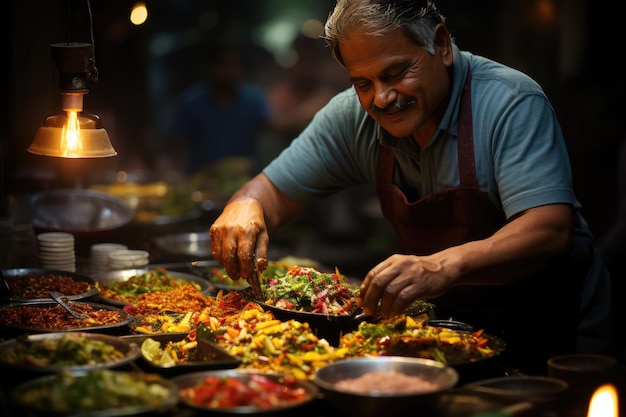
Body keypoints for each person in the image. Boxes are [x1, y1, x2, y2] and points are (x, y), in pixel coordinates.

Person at [209, 0, 614, 374]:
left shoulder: (510, 102)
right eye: (362, 83)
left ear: (439, 44)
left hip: (557, 329)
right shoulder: (352, 117)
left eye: (396, 73)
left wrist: (441, 264)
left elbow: (549, 228)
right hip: (450, 331)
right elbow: (271, 191)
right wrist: (246, 204)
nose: (381, 98)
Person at [160, 38, 271, 176]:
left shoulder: (253, 99)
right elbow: (174, 146)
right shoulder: (191, 102)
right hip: (201, 183)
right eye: (224, 65)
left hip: (245, 181)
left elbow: (275, 126)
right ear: (210, 67)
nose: (230, 72)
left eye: (235, 65)